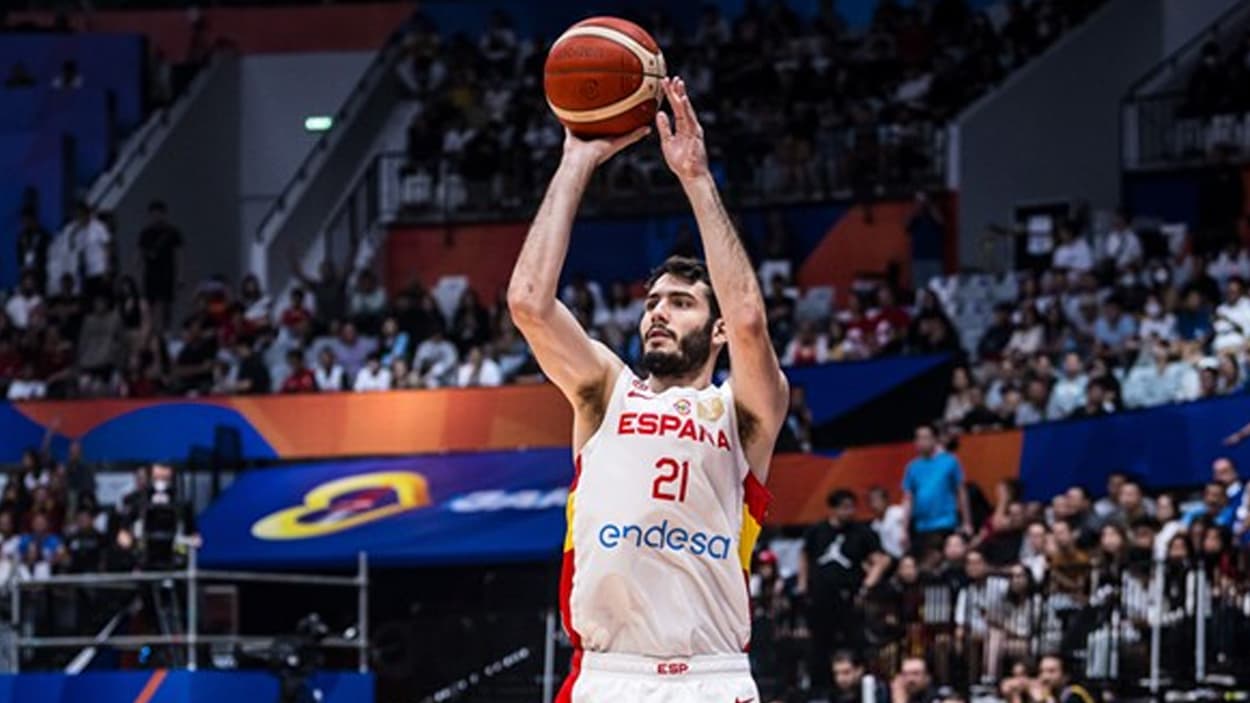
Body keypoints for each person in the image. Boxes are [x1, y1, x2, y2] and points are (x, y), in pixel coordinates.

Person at [508, 77, 788, 703]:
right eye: (653, 301)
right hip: (607, 674)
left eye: (682, 303)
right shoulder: (607, 391)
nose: (659, 312)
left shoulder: (741, 413)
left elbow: (749, 319)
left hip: (712, 675)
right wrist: (575, 161)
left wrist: (695, 177)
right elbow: (528, 302)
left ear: (714, 330)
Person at [801, 490, 891, 695]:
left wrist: (867, 585)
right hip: (820, 599)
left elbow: (882, 560)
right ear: (833, 509)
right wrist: (803, 585)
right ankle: (821, 691)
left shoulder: (862, 532)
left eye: (852, 507)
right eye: (844, 507)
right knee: (819, 647)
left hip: (849, 598)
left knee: (855, 643)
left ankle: (858, 690)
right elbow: (805, 556)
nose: (849, 512)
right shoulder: (816, 531)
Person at [901, 423, 971, 558]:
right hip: (921, 526)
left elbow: (961, 493)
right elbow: (908, 498)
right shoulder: (912, 467)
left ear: (935, 439)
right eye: (919, 438)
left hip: (946, 523)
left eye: (926, 437)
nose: (922, 442)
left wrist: (967, 522)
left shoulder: (950, 461)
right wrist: (904, 530)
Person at [136, 200, 183, 332]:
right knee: (149, 303)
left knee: (166, 303)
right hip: (150, 273)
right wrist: (136, 270)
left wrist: (180, 276)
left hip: (167, 272)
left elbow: (178, 255)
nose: (156, 216)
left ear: (164, 214)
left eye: (158, 213)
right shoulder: (145, 233)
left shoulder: (173, 232)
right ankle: (149, 330)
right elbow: (139, 253)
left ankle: (165, 331)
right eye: (153, 214)